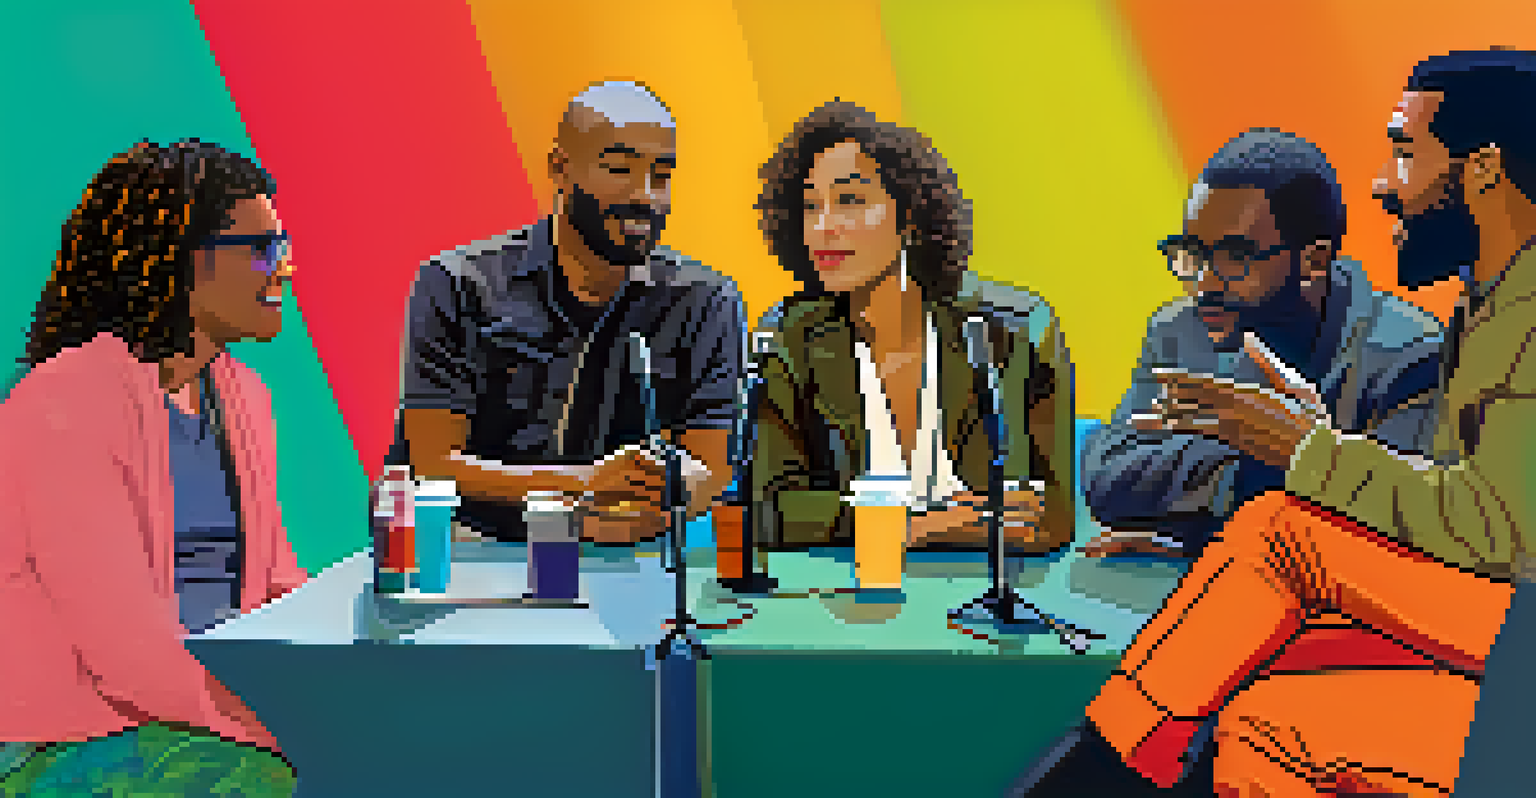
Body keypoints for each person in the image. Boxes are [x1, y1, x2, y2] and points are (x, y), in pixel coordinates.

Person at [1012, 48, 1536, 797]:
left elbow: (1497, 535)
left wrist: (1305, 452)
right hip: (1490, 635)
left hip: (1518, 653)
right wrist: (1280, 464)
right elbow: (1112, 471)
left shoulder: (1480, 326)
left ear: (1482, 169)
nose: (1385, 186)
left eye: (1405, 152)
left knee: (1280, 532)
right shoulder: (1485, 303)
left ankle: (1095, 771)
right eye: (1192, 254)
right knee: (1263, 726)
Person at [0, 141, 304, 796]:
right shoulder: (66, 405)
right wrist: (273, 726)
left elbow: (277, 586)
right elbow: (127, 659)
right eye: (261, 248)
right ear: (179, 259)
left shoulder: (243, 396)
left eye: (282, 245)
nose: (285, 267)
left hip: (207, 713)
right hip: (71, 741)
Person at [391, 80, 742, 544]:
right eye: (620, 169)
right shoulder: (457, 284)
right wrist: (580, 491)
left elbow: (710, 468)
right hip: (475, 554)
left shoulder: (705, 300)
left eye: (662, 175)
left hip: (629, 561)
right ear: (560, 168)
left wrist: (673, 489)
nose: (646, 196)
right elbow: (434, 463)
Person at [1080, 129, 1443, 559]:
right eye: (1192, 253)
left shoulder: (1409, 353)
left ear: (1314, 260)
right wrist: (1265, 458)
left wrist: (1197, 528)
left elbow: (1385, 541)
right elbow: (1108, 481)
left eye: (1235, 256)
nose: (1204, 284)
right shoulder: (1180, 329)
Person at [751, 100, 1076, 552]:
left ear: (909, 217)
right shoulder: (788, 339)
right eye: (809, 207)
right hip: (845, 601)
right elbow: (767, 512)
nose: (823, 227)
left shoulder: (1016, 330)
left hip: (985, 602)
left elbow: (1050, 523)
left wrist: (857, 522)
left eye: (849, 201)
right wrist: (916, 530)